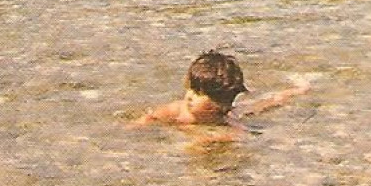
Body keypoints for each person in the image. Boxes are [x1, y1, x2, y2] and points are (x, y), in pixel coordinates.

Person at [132, 51, 311, 131]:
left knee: (265, 104)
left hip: (235, 114)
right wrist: (138, 125)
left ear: (217, 104)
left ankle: (298, 89)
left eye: (199, 93)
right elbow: (152, 116)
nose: (190, 97)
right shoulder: (178, 110)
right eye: (191, 89)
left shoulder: (225, 120)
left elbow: (238, 135)